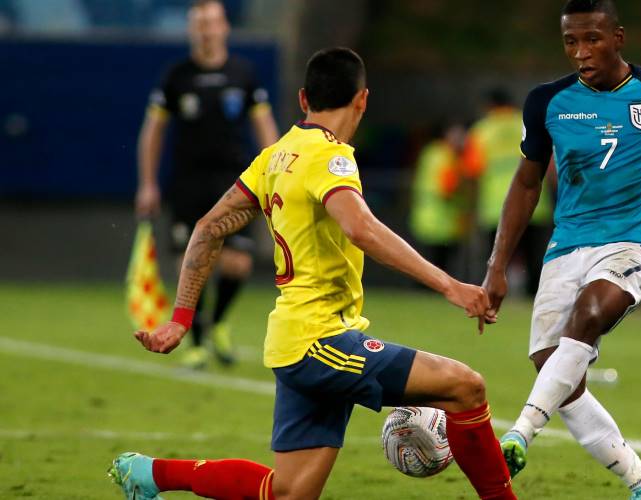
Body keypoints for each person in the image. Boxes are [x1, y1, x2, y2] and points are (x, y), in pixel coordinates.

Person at [110, 47, 516, 500]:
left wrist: (181, 320)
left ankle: (151, 474)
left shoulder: (275, 155)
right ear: (363, 100)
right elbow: (360, 227)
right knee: (465, 387)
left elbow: (207, 228)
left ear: (304, 98)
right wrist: (450, 285)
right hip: (320, 342)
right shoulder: (330, 157)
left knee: (289, 492)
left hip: (295, 342)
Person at [482, 1, 641, 499]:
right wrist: (496, 267)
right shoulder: (547, 101)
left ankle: (519, 433)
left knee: (591, 312)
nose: (581, 52)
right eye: (571, 42)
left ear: (618, 37)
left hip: (632, 244)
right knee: (557, 370)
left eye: (592, 39)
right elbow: (526, 184)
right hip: (565, 247)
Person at [134, 0, 279, 369]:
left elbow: (265, 127)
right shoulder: (176, 76)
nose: (206, 30)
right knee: (193, 260)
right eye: (199, 24)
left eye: (212, 23)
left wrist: (278, 173)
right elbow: (153, 132)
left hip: (235, 181)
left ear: (225, 27)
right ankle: (196, 341)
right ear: (191, 30)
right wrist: (147, 183)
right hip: (189, 182)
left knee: (237, 263)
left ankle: (218, 323)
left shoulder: (244, 74)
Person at [463, 87, 553, 297]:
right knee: (535, 261)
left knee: (497, 261)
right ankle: (536, 301)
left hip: (496, 207)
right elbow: (551, 165)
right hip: (536, 204)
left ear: (489, 106)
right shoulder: (527, 122)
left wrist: (470, 206)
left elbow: (471, 172)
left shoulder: (480, 131)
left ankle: (490, 301)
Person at [409, 122, 468, 275]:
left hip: (423, 218)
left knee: (421, 266)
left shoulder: (430, 152)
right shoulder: (447, 155)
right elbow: (447, 188)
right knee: (439, 268)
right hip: (441, 223)